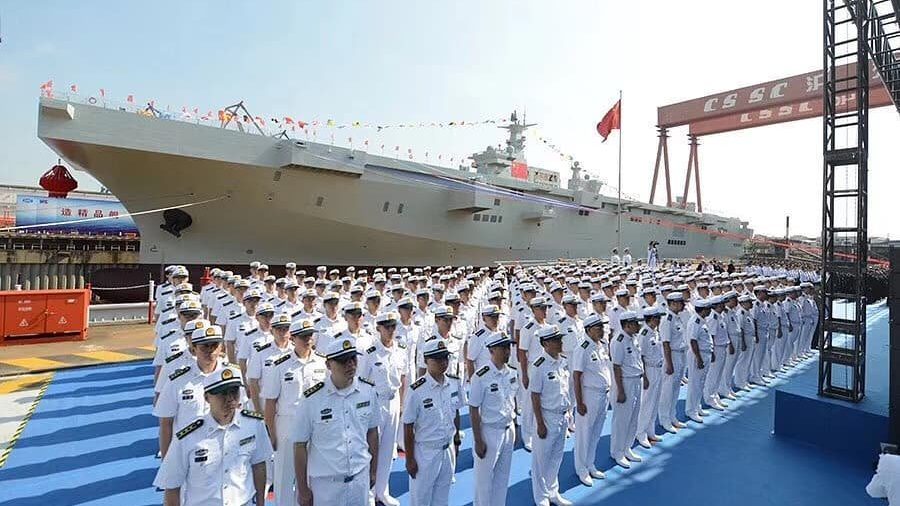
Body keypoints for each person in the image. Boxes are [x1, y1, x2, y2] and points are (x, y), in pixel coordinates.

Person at [153, 366, 272, 506]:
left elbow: (259, 466)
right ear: (206, 397)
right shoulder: (188, 437)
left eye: (234, 392)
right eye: (222, 394)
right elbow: (172, 486)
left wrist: (260, 503)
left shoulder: (254, 425)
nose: (230, 399)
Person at [293, 336, 379, 506]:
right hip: (326, 486)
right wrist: (302, 489)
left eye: (353, 359)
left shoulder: (368, 391)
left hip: (359, 480)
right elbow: (300, 445)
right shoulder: (312, 399)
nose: (350, 365)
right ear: (328, 365)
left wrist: (374, 470)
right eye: (343, 361)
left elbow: (372, 432)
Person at [261, 318, 327, 506]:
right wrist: (271, 434)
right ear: (293, 338)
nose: (307, 340)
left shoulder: (322, 362)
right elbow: (270, 403)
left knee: (311, 477)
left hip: (315, 426)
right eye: (303, 336)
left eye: (310, 336)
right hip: (287, 426)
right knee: (284, 477)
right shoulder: (280, 366)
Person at [402, 338, 463, 506]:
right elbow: (408, 425)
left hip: (447, 449)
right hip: (426, 452)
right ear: (426, 360)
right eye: (437, 358)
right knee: (420, 499)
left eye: (445, 357)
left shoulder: (454, 383)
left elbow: (456, 412)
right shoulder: (417, 390)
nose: (443, 362)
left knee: (442, 498)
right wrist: (410, 459)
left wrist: (456, 440)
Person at [358, 312, 408, 506]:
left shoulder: (400, 349)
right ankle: (369, 493)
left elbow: (403, 377)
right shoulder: (370, 352)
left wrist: (401, 404)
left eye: (393, 326)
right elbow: (362, 381)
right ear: (378, 328)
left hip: (393, 401)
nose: (390, 330)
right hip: (376, 403)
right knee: (372, 449)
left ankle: (382, 491)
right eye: (387, 327)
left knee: (388, 448)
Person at [468, 331, 517, 506]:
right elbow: (474, 409)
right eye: (503, 348)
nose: (508, 351)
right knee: (484, 481)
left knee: (502, 478)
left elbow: (512, 401)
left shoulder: (512, 373)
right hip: (490, 431)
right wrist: (478, 440)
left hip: (508, 429)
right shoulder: (481, 376)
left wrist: (514, 426)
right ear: (492, 350)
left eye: (508, 347)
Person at [529, 325, 573, 506]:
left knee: (556, 456)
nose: (560, 342)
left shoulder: (562, 361)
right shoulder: (539, 365)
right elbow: (535, 395)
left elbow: (565, 390)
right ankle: (541, 497)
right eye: (556, 340)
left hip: (562, 415)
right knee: (541, 459)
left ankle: (553, 491)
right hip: (547, 417)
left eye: (560, 339)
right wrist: (540, 423)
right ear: (545, 343)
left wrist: (569, 412)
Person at [572, 314, 611, 486]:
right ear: (588, 330)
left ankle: (590, 464)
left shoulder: (601, 345)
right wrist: (579, 402)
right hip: (589, 395)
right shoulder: (583, 348)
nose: (602, 330)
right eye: (598, 328)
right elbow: (576, 376)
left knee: (595, 432)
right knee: (584, 434)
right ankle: (581, 468)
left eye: (602, 327)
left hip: (603, 394)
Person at [610, 311, 644, 469]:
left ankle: (627, 448)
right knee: (622, 420)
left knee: (633, 418)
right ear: (628, 325)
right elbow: (616, 367)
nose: (639, 325)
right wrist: (621, 390)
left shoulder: (633, 338)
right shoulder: (619, 341)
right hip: (626, 382)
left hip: (637, 380)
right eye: (636, 323)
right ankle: (617, 452)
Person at [635, 306, 664, 449]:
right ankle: (640, 433)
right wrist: (645, 376)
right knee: (646, 403)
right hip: (649, 370)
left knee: (655, 402)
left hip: (658, 368)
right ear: (651, 319)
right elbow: (640, 356)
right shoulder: (644, 334)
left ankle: (650, 430)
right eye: (657, 318)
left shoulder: (655, 332)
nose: (659, 320)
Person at [686, 299, 713, 423]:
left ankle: (697, 406)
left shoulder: (702, 320)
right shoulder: (695, 321)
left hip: (705, 353)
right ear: (703, 310)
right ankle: (691, 410)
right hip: (698, 355)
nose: (710, 310)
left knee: (701, 383)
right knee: (695, 384)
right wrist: (699, 358)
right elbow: (693, 341)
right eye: (708, 308)